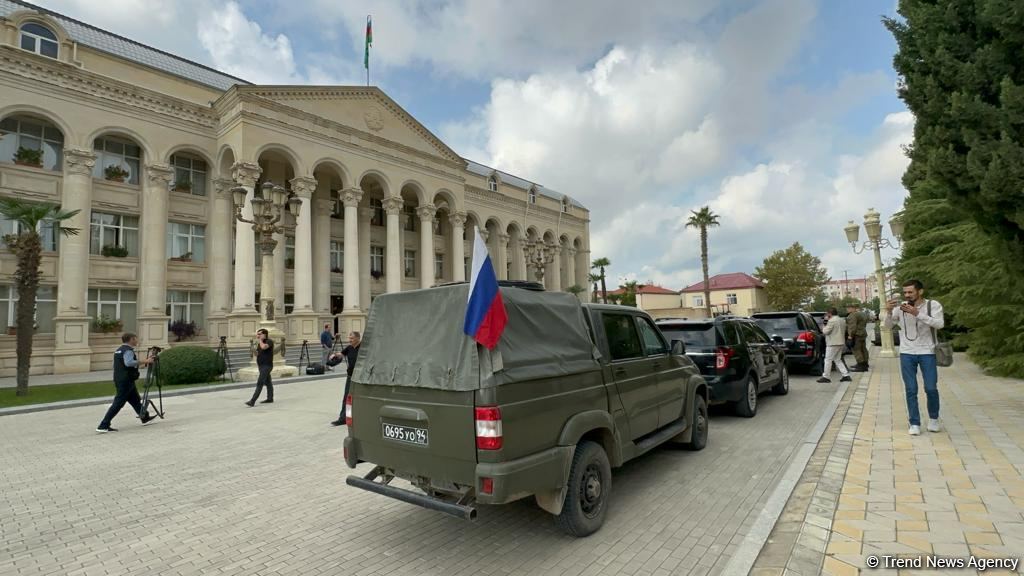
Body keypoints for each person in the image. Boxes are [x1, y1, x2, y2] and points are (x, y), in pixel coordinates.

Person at [884, 279, 944, 436]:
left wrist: (917, 313)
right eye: (905, 292)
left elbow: (939, 324)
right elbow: (887, 327)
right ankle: (914, 422)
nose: (907, 295)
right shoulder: (900, 308)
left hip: (927, 352)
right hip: (907, 352)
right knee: (911, 389)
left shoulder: (933, 305)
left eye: (910, 292)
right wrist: (889, 311)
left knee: (930, 387)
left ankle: (933, 418)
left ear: (920, 291)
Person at [96, 333, 156, 432]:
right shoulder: (128, 351)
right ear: (131, 339)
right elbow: (128, 363)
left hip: (122, 379)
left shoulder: (118, 350)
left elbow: (115, 365)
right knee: (118, 403)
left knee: (135, 400)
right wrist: (146, 361)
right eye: (135, 338)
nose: (137, 340)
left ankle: (144, 417)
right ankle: (103, 425)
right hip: (126, 381)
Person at [330, 331, 362, 426]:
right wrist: (335, 355)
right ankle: (343, 418)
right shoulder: (349, 348)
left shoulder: (363, 348)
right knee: (347, 398)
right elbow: (341, 354)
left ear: (358, 338)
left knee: (360, 398)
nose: (350, 340)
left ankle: (360, 417)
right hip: (350, 377)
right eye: (349, 338)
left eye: (352, 338)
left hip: (360, 378)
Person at [818, 308, 852, 384]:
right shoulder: (841, 320)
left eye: (827, 314)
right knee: (837, 359)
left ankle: (826, 376)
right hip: (840, 342)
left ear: (830, 313)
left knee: (828, 360)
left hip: (832, 343)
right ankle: (845, 375)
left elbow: (825, 331)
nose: (827, 315)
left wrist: (824, 325)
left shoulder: (831, 321)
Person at [245, 328, 274, 406]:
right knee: (268, 382)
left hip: (267, 366)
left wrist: (260, 340)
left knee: (260, 383)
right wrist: (253, 350)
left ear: (265, 334)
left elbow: (264, 347)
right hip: (261, 366)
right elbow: (258, 354)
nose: (258, 336)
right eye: (257, 334)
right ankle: (270, 398)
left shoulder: (269, 341)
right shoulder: (259, 343)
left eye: (259, 334)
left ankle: (252, 401)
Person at [846, 303, 869, 372]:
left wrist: (850, 336)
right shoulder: (862, 314)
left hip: (856, 335)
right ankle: (865, 363)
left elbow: (852, 327)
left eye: (849, 308)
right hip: (862, 333)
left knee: (856, 350)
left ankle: (861, 365)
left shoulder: (852, 315)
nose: (847, 309)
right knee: (863, 349)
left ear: (853, 308)